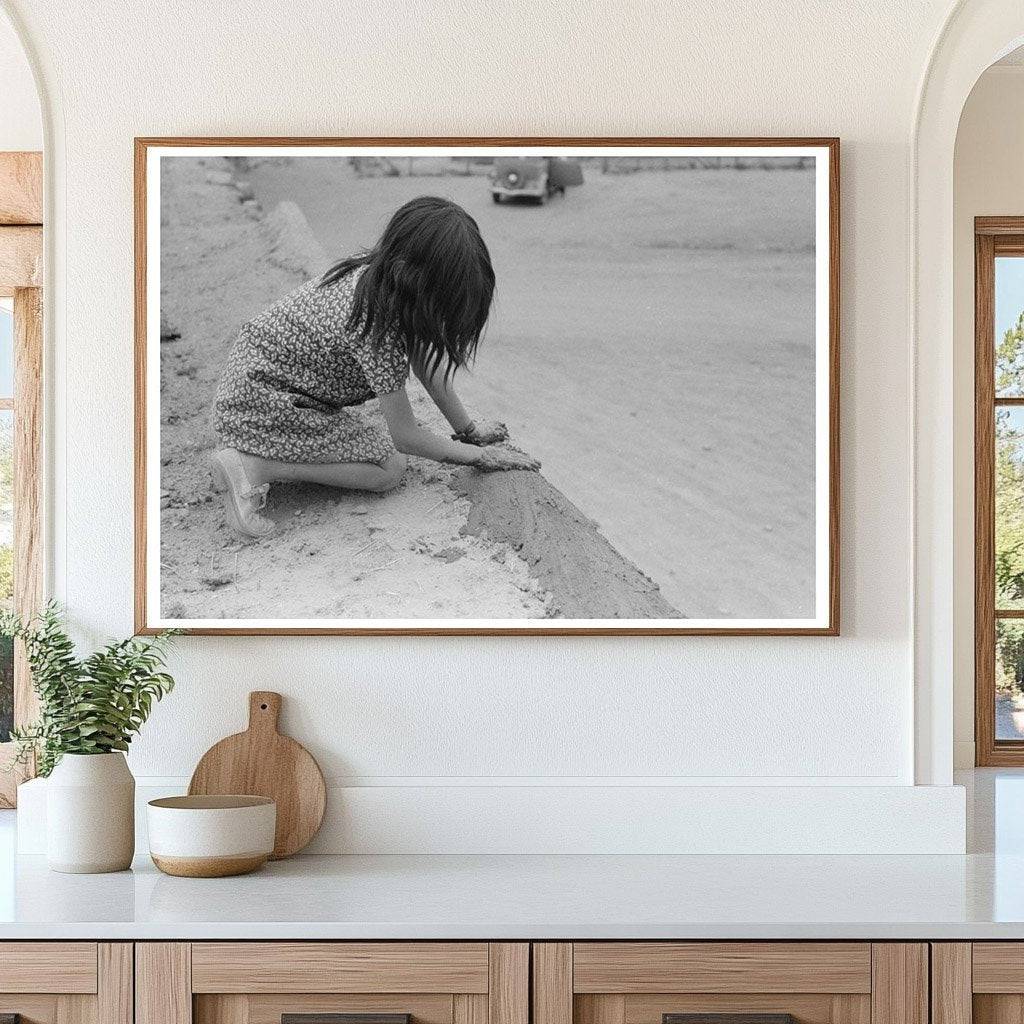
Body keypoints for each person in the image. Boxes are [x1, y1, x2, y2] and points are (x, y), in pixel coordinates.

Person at [210, 196, 539, 538]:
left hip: (253, 386)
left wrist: (469, 431)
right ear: (412, 280)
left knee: (382, 455)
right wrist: (478, 458)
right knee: (389, 468)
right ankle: (254, 467)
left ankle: (254, 456)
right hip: (261, 406)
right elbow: (406, 437)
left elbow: (424, 363)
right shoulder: (377, 326)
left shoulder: (378, 280)